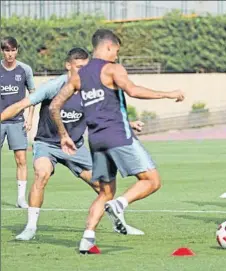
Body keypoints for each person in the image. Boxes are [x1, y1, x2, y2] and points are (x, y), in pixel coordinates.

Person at [49, 29, 185, 254]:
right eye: (117, 51)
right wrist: (168, 93)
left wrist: (63, 135)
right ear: (109, 47)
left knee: (105, 192)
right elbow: (132, 90)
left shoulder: (78, 76)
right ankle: (120, 205)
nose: (117, 56)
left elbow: (54, 106)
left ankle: (87, 239)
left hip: (96, 141)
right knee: (152, 180)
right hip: (118, 136)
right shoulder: (112, 69)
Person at [1, 48, 144, 240]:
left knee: (105, 188)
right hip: (47, 145)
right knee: (41, 174)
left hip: (75, 147)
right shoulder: (54, 86)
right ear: (68, 66)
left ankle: (120, 223)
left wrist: (129, 123)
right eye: (79, 67)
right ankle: (30, 228)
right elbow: (20, 105)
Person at [0, 36, 36, 208]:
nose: (10, 54)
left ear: (17, 50)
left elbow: (33, 95)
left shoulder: (25, 69)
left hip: (17, 122)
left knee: (21, 159)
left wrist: (29, 118)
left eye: (13, 50)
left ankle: (21, 198)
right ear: (2, 51)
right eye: (7, 50)